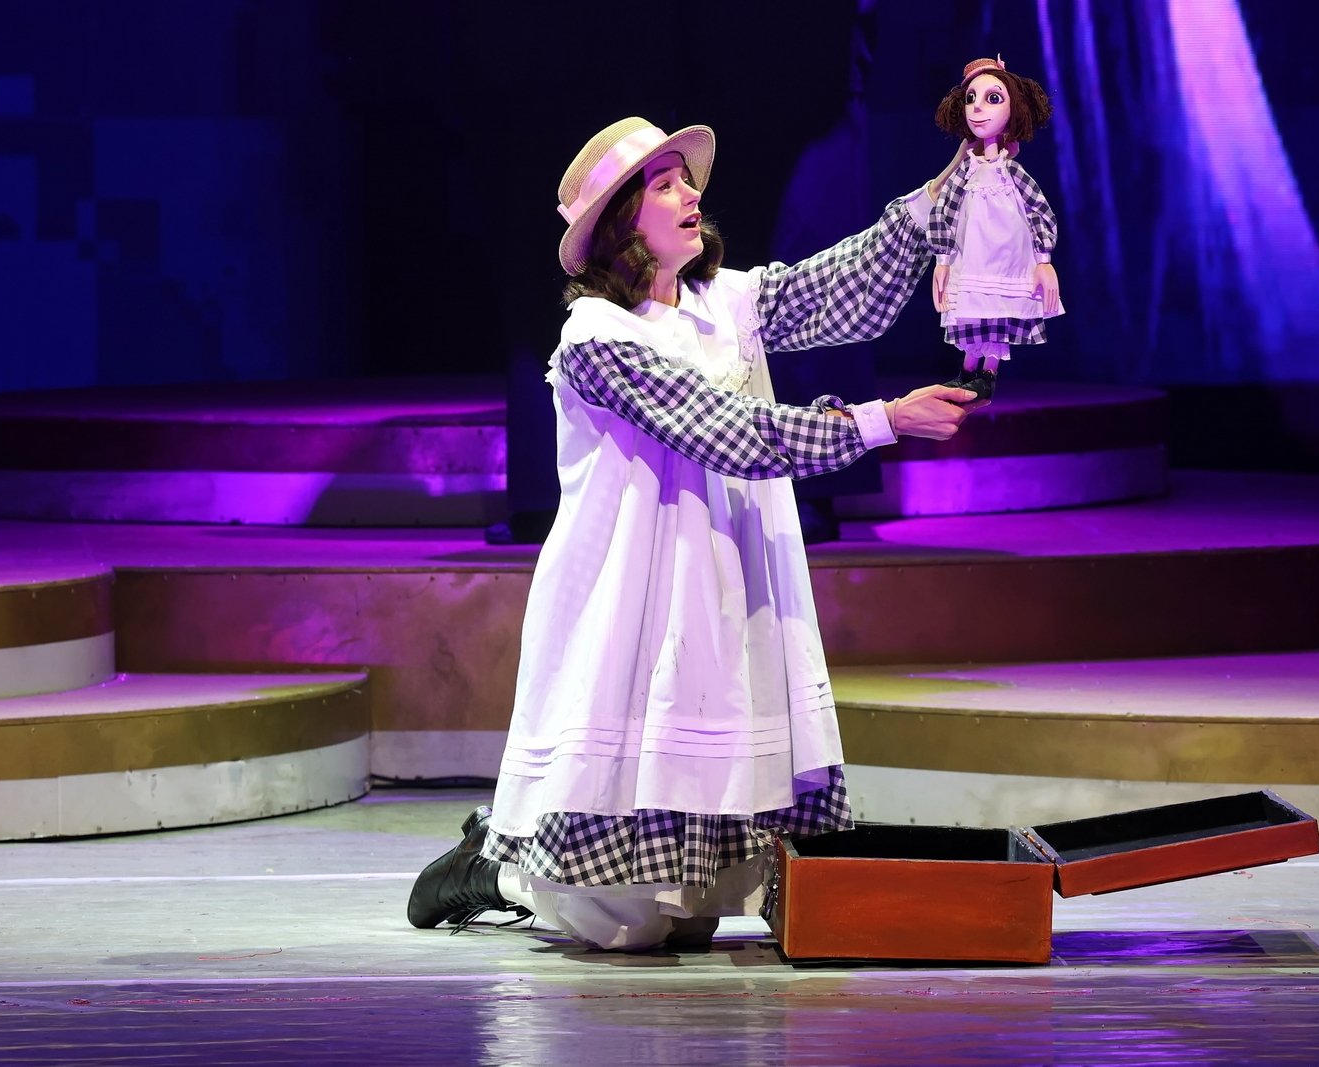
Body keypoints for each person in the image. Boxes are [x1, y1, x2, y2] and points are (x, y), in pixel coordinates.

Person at [407, 116, 974, 952]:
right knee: (626, 924)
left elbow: (842, 286)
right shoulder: (598, 335)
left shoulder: (727, 302)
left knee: (695, 910)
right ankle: (496, 865)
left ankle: (609, 881)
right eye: (664, 184)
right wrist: (883, 420)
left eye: (687, 179)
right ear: (619, 221)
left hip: (726, 587)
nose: (690, 194)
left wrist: (940, 199)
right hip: (639, 598)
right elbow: (726, 431)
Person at [929, 55, 1062, 407]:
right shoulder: (967, 170)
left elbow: (1039, 210)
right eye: (971, 98)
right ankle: (967, 370)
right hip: (972, 255)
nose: (977, 108)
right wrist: (942, 259)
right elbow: (944, 211)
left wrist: (1044, 260)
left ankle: (987, 374)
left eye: (992, 98)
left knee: (999, 310)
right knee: (972, 309)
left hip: (1007, 257)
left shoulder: (1011, 172)